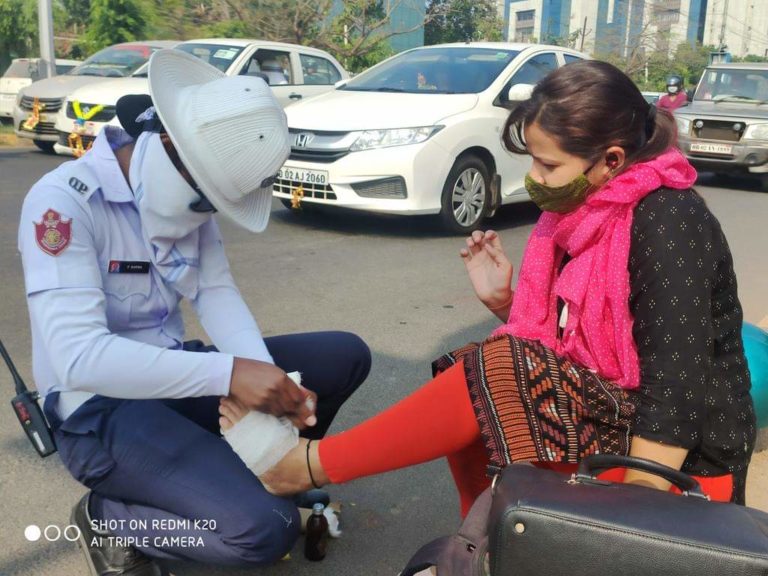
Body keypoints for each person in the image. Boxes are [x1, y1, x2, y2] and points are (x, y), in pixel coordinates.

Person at [221, 60, 757, 518]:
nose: (535, 177)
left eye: (548, 163)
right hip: (615, 410)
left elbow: (678, 380)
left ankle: (307, 467)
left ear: (611, 161)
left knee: (497, 372)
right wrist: (506, 304)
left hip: (683, 458)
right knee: (476, 372)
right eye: (532, 159)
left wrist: (637, 507)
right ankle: (487, 537)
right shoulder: (583, 216)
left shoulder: (668, 218)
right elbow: (575, 343)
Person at [17, 49, 371, 575]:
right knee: (263, 531)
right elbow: (77, 358)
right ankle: (110, 517)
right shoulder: (64, 205)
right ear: (166, 145)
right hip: (99, 412)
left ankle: (263, 475)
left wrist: (274, 388)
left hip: (175, 376)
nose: (208, 216)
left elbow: (216, 293)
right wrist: (231, 373)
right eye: (206, 202)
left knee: (344, 356)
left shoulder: (185, 184)